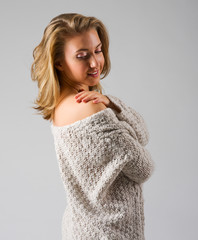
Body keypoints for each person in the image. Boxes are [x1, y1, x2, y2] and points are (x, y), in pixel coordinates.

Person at [31, 13, 155, 240]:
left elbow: (143, 134)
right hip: (110, 232)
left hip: (82, 227)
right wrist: (111, 114)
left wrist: (111, 103)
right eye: (81, 56)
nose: (94, 62)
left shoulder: (63, 105)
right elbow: (143, 168)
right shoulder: (90, 110)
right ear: (58, 62)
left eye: (97, 50)